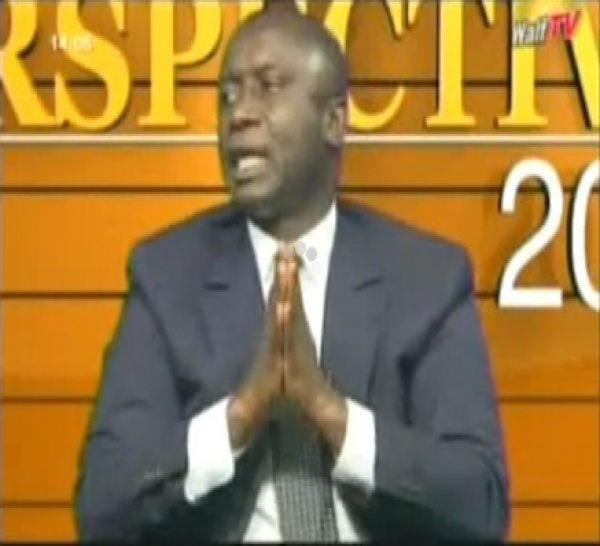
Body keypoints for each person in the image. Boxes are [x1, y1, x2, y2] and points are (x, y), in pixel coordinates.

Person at [74, 4, 510, 542]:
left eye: (268, 87)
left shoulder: (426, 279)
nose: (239, 113)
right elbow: (105, 503)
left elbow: (480, 504)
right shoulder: (168, 277)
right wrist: (238, 417)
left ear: (334, 121)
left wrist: (331, 414)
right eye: (227, 96)